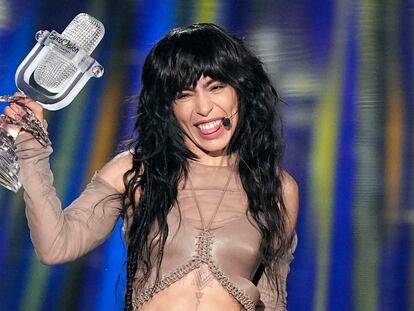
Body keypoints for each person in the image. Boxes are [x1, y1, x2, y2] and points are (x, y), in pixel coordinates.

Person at [4, 23, 299, 310]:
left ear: (241, 91)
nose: (204, 108)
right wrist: (32, 150)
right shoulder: (136, 170)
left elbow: (272, 300)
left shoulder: (277, 188)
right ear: (167, 106)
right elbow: (55, 246)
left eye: (216, 87)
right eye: (184, 94)